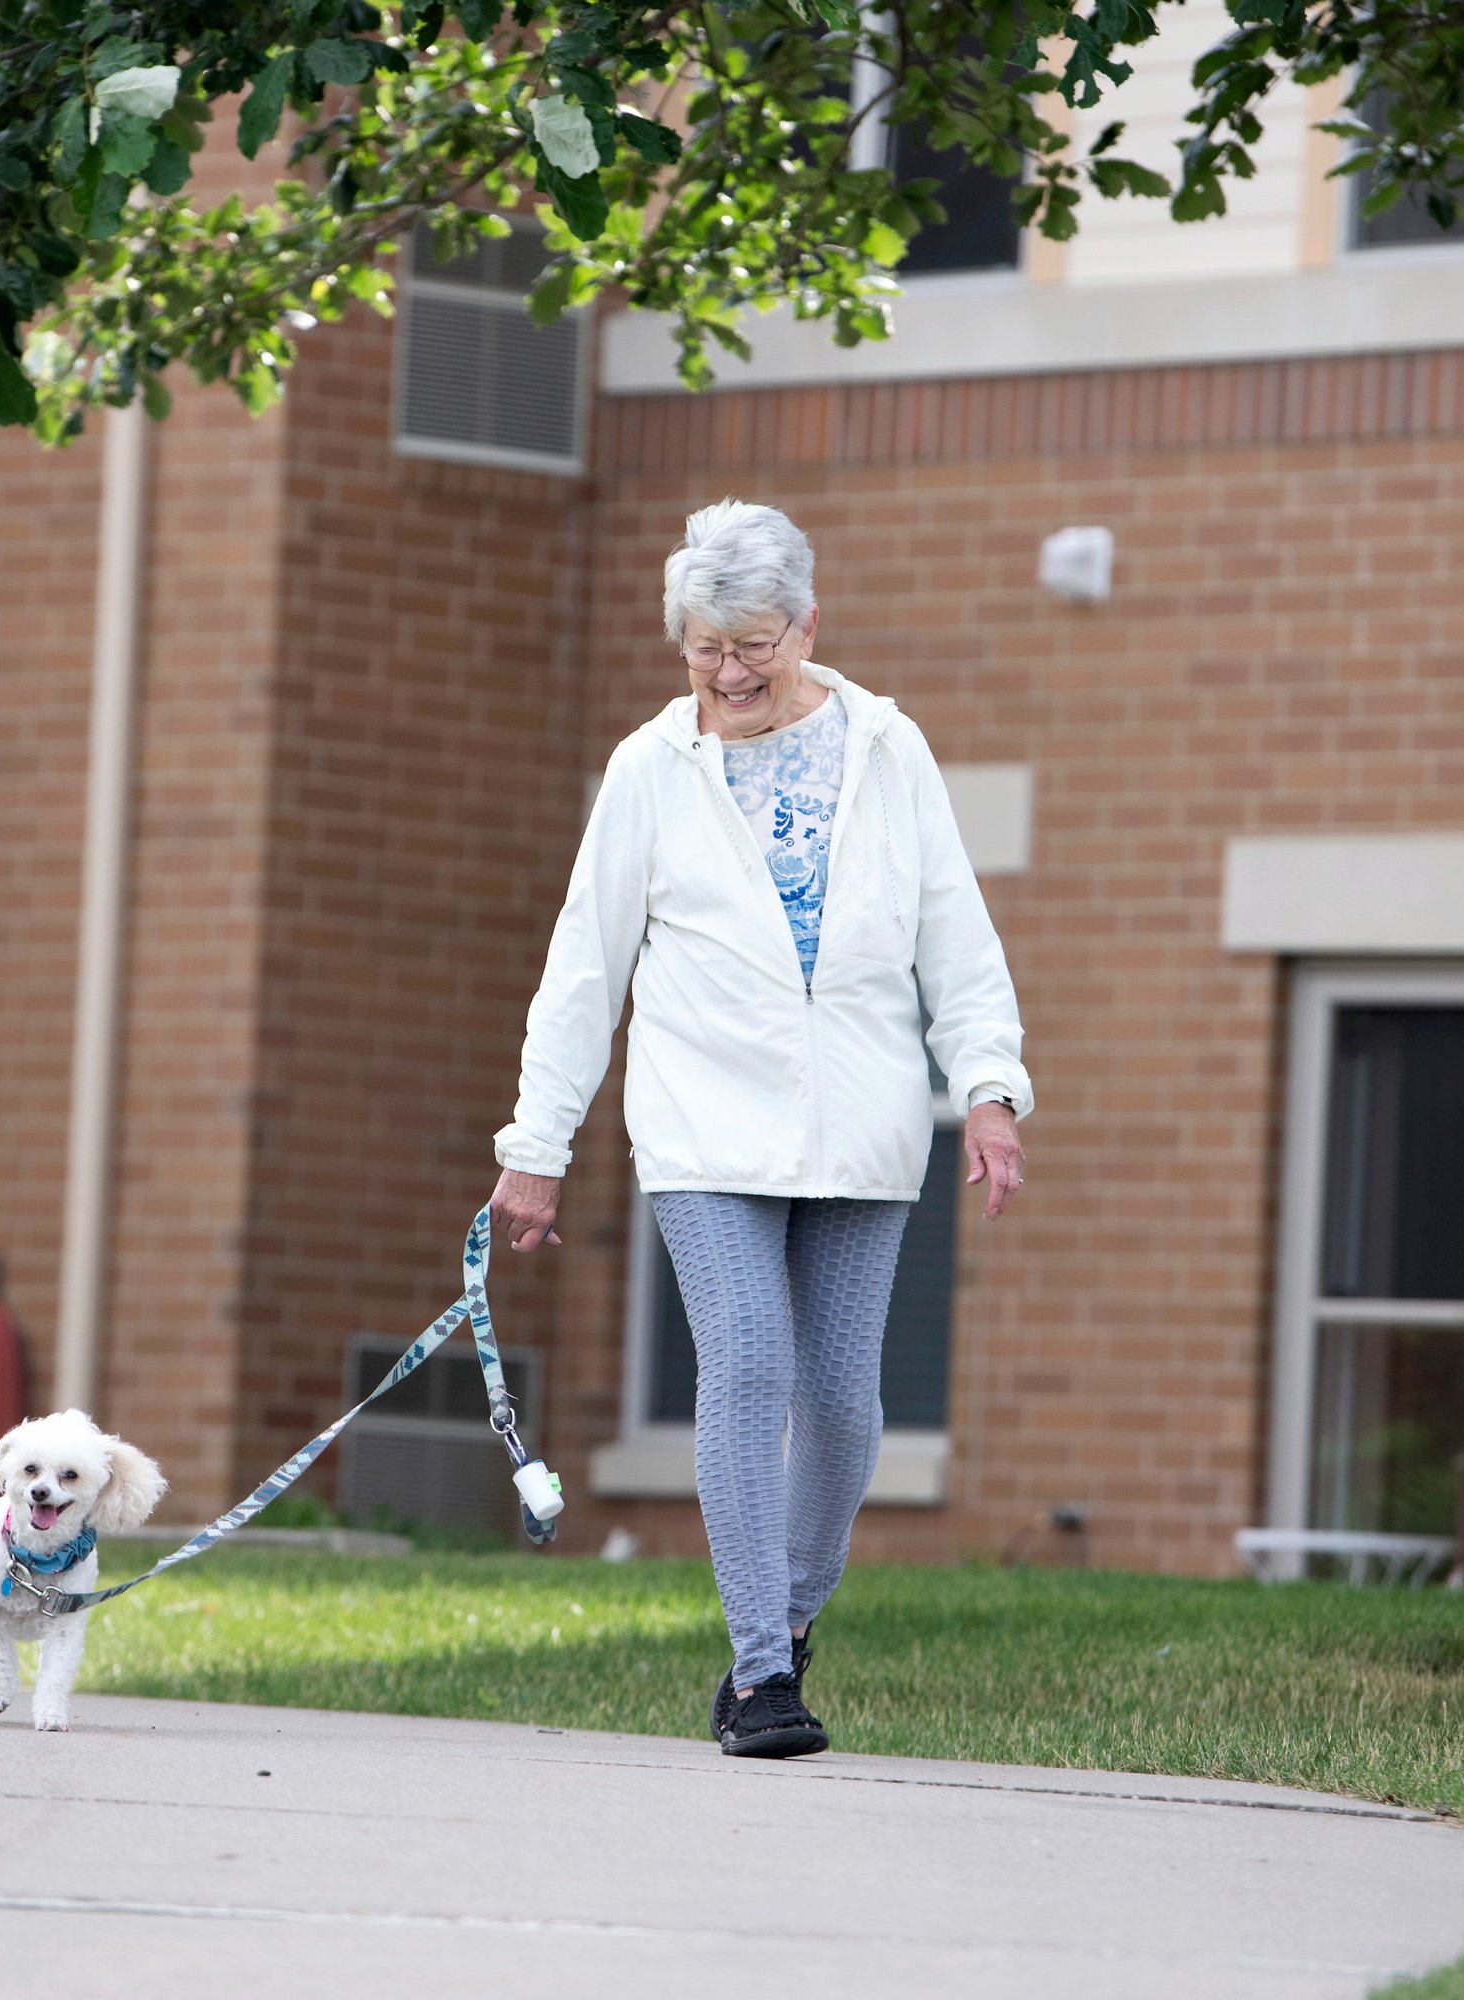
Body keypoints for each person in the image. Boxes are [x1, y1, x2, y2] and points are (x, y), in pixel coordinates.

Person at [489, 499, 1032, 1759]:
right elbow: (586, 963)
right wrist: (538, 1141)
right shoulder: (648, 768)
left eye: (754, 645)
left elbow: (955, 933)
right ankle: (759, 1675)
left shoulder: (889, 749)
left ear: (807, 625)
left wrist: (990, 1086)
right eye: (702, 647)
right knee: (746, 1363)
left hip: (863, 1123)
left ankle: (784, 1630)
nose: (728, 674)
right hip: (703, 1121)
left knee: (842, 1404)